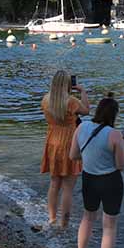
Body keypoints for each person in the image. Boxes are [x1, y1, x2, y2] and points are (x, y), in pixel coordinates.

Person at [69, 93, 124, 248]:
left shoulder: (81, 127)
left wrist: (92, 154)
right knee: (109, 226)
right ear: (114, 115)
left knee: (87, 218)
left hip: (89, 178)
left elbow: (73, 156)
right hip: (110, 182)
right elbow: (121, 165)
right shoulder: (114, 135)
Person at [40, 70, 89, 229]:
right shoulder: (71, 101)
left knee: (54, 184)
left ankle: (52, 219)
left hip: (52, 142)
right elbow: (86, 111)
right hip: (69, 142)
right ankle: (64, 224)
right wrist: (83, 92)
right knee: (68, 187)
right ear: (68, 84)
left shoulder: (46, 100)